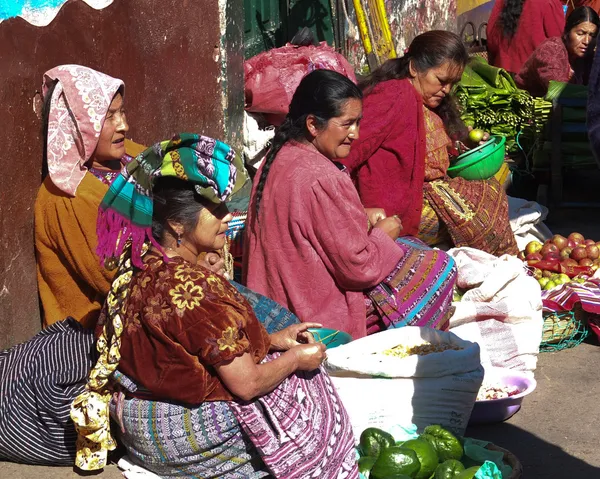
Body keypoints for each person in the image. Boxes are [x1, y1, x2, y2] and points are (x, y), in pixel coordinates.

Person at [70, 133, 358, 478]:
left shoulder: (137, 265)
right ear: (178, 225)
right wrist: (295, 358)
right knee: (308, 388)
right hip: (187, 435)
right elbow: (247, 385)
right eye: (217, 211)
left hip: (137, 426)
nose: (228, 218)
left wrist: (273, 340)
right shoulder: (195, 290)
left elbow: (185, 350)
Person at [244, 70, 457, 339]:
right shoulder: (322, 177)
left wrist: (360, 215)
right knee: (439, 267)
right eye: (347, 124)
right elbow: (359, 269)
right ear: (312, 124)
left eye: (358, 123)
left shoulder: (277, 158)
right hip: (315, 318)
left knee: (413, 247)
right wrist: (384, 235)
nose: (355, 134)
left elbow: (308, 220)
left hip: (277, 301)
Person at [340, 31, 519, 257]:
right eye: (441, 81)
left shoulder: (424, 101)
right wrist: (353, 212)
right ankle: (507, 264)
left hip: (423, 195)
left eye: (452, 84)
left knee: (491, 189)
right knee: (484, 209)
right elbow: (347, 151)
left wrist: (464, 141)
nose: (446, 90)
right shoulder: (393, 95)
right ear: (414, 68)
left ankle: (506, 263)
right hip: (396, 214)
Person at [35, 65, 130, 328]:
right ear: (77, 125)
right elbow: (122, 278)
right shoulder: (66, 196)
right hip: (94, 334)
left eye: (121, 112)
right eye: (109, 117)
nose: (124, 125)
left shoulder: (125, 156)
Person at [515, 6, 599, 96]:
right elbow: (559, 92)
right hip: (527, 105)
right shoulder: (550, 51)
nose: (586, 41)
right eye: (580, 34)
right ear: (567, 32)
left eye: (592, 36)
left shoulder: (586, 56)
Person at [487, 0, 565, 74]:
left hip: (501, 73)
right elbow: (559, 43)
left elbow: (491, 38)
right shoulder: (549, 2)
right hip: (533, 77)